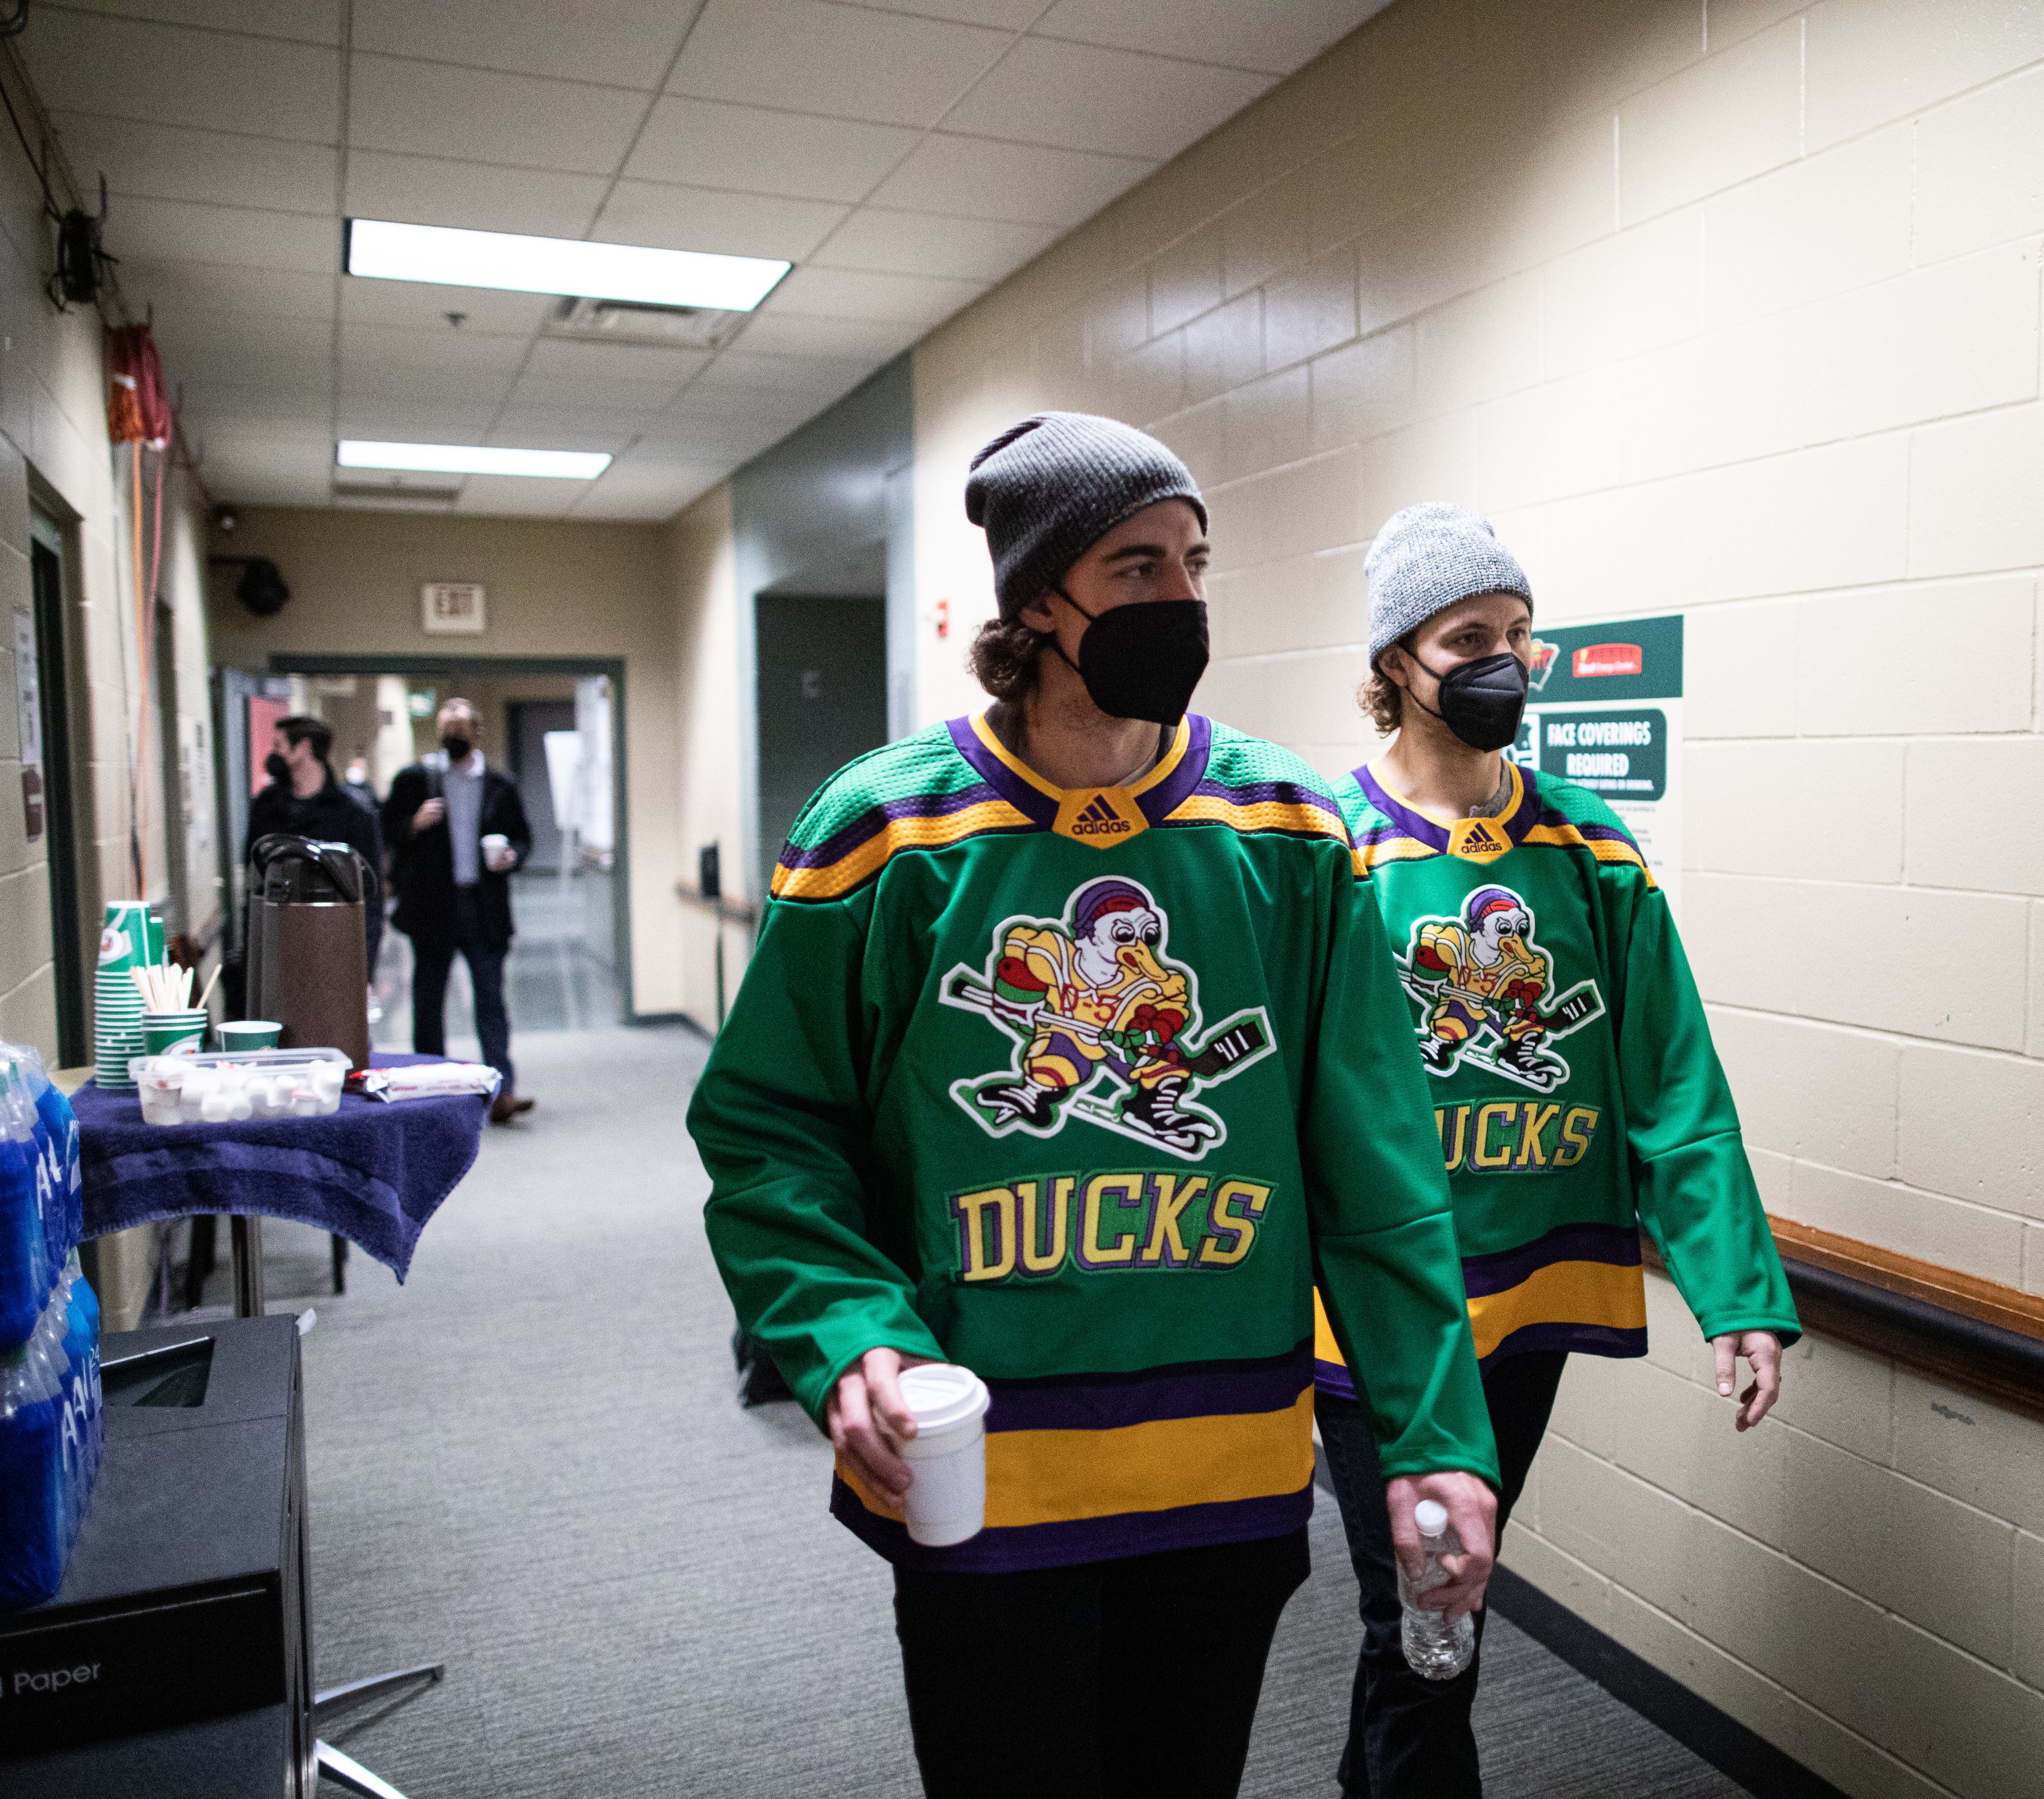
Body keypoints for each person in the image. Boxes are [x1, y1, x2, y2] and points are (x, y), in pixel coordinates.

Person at [688, 414, 1499, 1799]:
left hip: (1220, 1472)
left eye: (1194, 562)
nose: (1180, 601)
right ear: (1035, 601)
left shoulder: (1289, 833)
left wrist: (1434, 1439)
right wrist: (848, 1340)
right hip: (986, 1473)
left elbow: (1375, 1169)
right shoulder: (883, 837)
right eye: (1135, 567)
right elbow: (772, 1137)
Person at [1313, 503, 1800, 1798]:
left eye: (1519, 635)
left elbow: (1672, 1082)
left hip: (1525, 1298)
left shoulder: (1585, 849)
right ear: (1393, 667)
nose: (1503, 661)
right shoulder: (1324, 851)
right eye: (1466, 635)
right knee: (1421, 1620)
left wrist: (1733, 1292)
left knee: (1438, 1618)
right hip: (1369, 1309)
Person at [382, 698, 536, 1124]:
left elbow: (524, 838)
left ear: (477, 731)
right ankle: (429, 1093)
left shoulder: (500, 785)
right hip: (433, 907)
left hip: (483, 907)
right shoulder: (416, 780)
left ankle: (502, 1091)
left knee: (491, 999)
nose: (454, 733)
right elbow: (386, 829)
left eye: (462, 725)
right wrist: (415, 824)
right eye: (447, 725)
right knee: (429, 1000)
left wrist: (512, 856)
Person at [244, 713, 385, 976]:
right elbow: (253, 882)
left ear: (304, 748)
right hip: (276, 946)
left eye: (279, 745)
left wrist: (364, 970)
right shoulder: (266, 807)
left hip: (331, 947)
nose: (274, 755)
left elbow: (371, 898)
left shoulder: (353, 813)